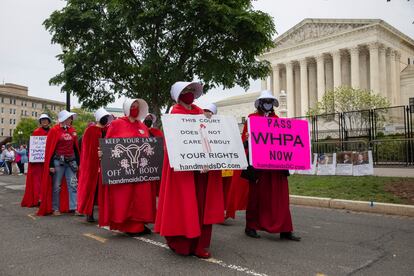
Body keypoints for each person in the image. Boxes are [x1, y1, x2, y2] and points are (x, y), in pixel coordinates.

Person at [155, 81, 224, 259]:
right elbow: (173, 143)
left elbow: (207, 138)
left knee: (200, 204)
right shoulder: (174, 113)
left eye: (192, 90)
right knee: (183, 204)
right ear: (178, 94)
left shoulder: (200, 112)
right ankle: (180, 242)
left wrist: (208, 159)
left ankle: (199, 244)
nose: (190, 93)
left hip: (201, 168)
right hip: (183, 169)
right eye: (186, 91)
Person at [242, 90, 300, 241]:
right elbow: (244, 143)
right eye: (265, 101)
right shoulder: (251, 119)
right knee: (256, 196)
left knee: (280, 197)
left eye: (270, 101)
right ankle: (251, 226)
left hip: (276, 167)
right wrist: (248, 140)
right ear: (260, 103)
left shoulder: (277, 120)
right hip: (259, 167)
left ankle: (285, 229)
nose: (267, 103)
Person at [99, 99, 156, 235]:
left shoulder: (142, 126)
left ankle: (139, 224)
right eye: (132, 106)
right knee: (124, 198)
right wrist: (102, 153)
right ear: (127, 108)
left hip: (140, 171)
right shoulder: (117, 124)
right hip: (123, 171)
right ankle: (125, 224)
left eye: (137, 107)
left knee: (141, 198)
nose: (135, 109)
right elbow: (108, 144)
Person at [37, 110, 79, 216]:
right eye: (69, 118)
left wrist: (78, 162)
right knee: (56, 186)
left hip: (71, 161)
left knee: (73, 184)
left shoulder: (72, 130)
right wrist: (51, 165)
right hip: (58, 162)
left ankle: (74, 207)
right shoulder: (54, 130)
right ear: (64, 119)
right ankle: (55, 208)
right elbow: (50, 149)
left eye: (71, 118)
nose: (71, 120)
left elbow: (75, 147)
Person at [77, 108, 112, 222]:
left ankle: (105, 214)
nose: (105, 119)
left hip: (105, 163)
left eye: (106, 117)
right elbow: (87, 150)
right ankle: (89, 212)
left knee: (104, 188)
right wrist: (95, 159)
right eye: (104, 117)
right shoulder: (90, 130)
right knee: (92, 187)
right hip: (92, 164)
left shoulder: (108, 130)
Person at [21, 114, 52, 207]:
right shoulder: (36, 132)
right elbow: (32, 146)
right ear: (40, 122)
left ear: (49, 121)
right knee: (37, 181)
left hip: (49, 161)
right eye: (42, 120)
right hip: (37, 162)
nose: (44, 122)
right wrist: (32, 157)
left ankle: (46, 198)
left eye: (46, 120)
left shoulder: (52, 131)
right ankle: (38, 198)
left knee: (48, 180)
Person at [143, 113, 164, 196]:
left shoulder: (157, 131)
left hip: (155, 157)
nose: (148, 120)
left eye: (150, 119)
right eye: (147, 118)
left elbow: (162, 144)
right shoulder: (140, 130)